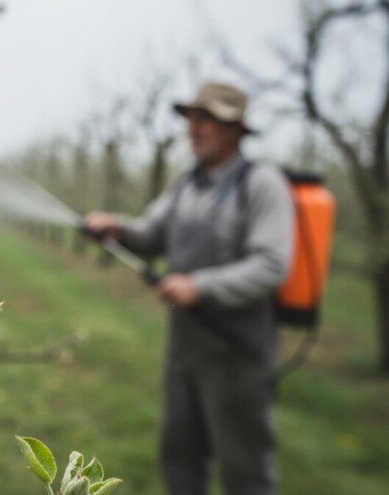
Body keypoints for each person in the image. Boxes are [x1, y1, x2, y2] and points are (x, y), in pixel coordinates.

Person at [84, 82, 294, 495]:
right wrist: (117, 227)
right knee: (179, 463)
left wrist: (199, 286)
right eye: (191, 119)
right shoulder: (186, 183)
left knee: (244, 475)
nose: (193, 128)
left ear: (235, 128)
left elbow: (272, 265)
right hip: (184, 352)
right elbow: (151, 233)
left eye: (206, 120)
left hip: (238, 356)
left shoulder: (261, 183)